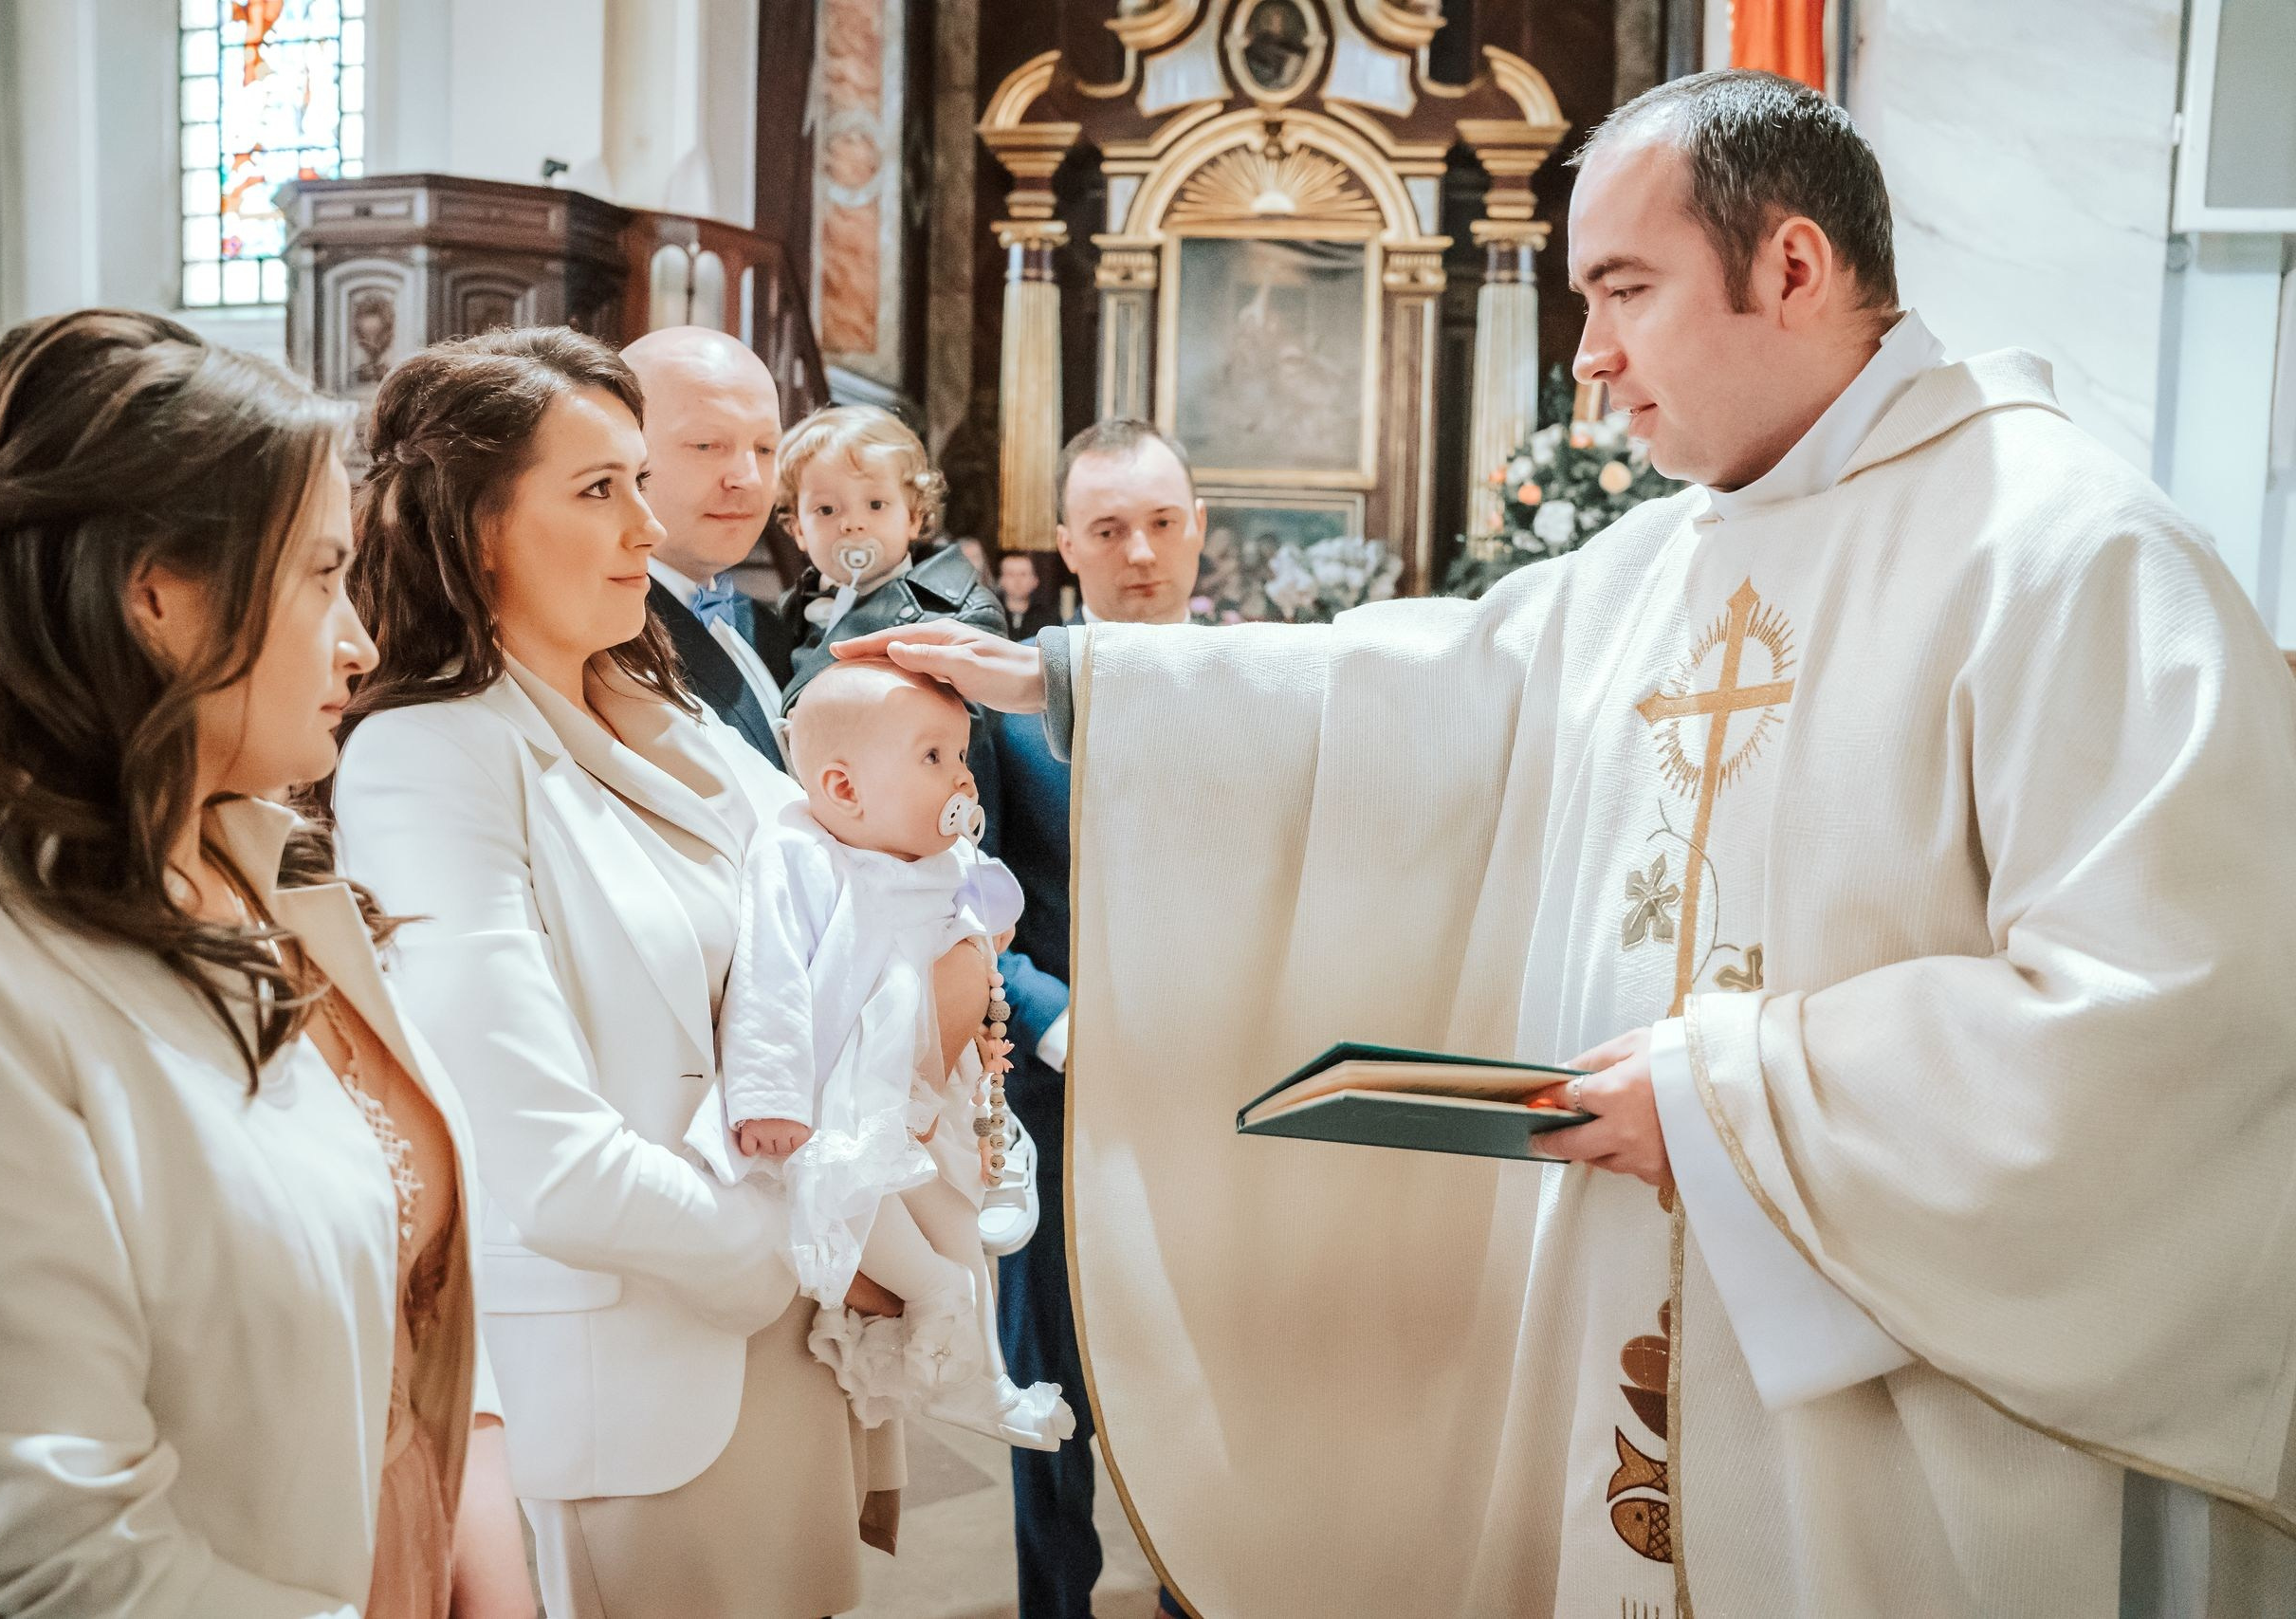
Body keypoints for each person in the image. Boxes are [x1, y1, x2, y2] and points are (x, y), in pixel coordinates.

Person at [842, 72, 2296, 1617]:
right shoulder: (1672, 551)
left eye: (1625, 289)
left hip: (1900, 1419)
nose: (1591, 354)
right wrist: (1083, 679)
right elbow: (1422, 696)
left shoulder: (2070, 554)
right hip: (1643, 1342)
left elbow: (2184, 1020)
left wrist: (1720, 1092)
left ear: (1792, 269)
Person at [0, 308, 528, 1618]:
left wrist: (490, 1567)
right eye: (320, 576)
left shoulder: (276, 871)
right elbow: (39, 1562)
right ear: (157, 594)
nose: (362, 642)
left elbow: (416, 1287)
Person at [330, 327, 917, 1619]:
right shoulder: (429, 756)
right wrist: (796, 1242)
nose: (646, 526)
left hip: (790, 1361)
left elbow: (859, 910)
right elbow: (535, 1147)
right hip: (653, 1374)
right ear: (475, 524)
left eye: (639, 482)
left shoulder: (676, 718)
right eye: (601, 489)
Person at [695, 661, 1075, 1451]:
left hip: (931, 1094)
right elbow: (770, 976)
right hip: (844, 1094)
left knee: (962, 1227)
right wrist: (771, 1095)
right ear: (843, 788)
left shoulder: (942, 858)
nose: (962, 777)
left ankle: (990, 1380)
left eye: (961, 754)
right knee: (870, 1208)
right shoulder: (799, 852)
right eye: (933, 756)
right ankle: (934, 1300)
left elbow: (989, 910)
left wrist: (990, 923)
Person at [983, 420, 1205, 1619]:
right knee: (1048, 1388)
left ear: (1197, 530)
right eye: (1109, 530)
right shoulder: (1005, 704)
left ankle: (1197, 1591)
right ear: (1066, 544)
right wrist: (1053, 1017)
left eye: (1161, 524)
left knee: (1205, 1371)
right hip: (1060, 1097)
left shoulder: (1259, 683)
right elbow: (964, 893)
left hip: (1216, 1087)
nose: (1138, 554)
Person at [623, 325, 794, 771]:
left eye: (765, 447)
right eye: (706, 445)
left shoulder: (770, 626)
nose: (748, 478)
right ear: (623, 451)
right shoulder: (604, 639)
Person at [771, 403, 1008, 707]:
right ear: (798, 530)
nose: (853, 523)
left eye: (875, 505)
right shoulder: (789, 611)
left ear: (914, 517)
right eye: (826, 509)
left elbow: (960, 723)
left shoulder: (961, 615)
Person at [996, 549, 1062, 641]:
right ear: (1001, 580)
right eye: (1011, 574)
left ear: (1035, 581)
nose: (1017, 580)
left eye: (1023, 574)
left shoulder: (1048, 618)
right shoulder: (991, 614)